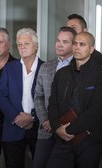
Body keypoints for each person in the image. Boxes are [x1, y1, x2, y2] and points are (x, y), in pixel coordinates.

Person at [47, 32, 102, 168]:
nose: (77, 47)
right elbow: (53, 104)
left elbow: (95, 110)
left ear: (91, 49)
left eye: (82, 44)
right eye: (75, 43)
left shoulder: (101, 75)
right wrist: (57, 128)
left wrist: (69, 129)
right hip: (62, 137)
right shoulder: (61, 74)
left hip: (89, 140)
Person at [0, 28, 44, 168]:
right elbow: (2, 96)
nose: (22, 47)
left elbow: (50, 99)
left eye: (26, 43)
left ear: (36, 45)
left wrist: (32, 117)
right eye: (19, 44)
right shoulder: (9, 68)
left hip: (39, 128)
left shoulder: (46, 68)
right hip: (13, 126)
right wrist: (18, 117)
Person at [32, 26, 77, 168]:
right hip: (46, 130)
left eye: (65, 41)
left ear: (73, 44)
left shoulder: (79, 68)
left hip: (67, 131)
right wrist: (45, 119)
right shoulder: (46, 67)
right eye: (58, 40)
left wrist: (57, 123)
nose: (59, 44)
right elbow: (38, 96)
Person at [0, 27, 17, 168]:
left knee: (12, 162)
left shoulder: (18, 66)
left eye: (0, 42)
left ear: (9, 44)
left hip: (11, 123)